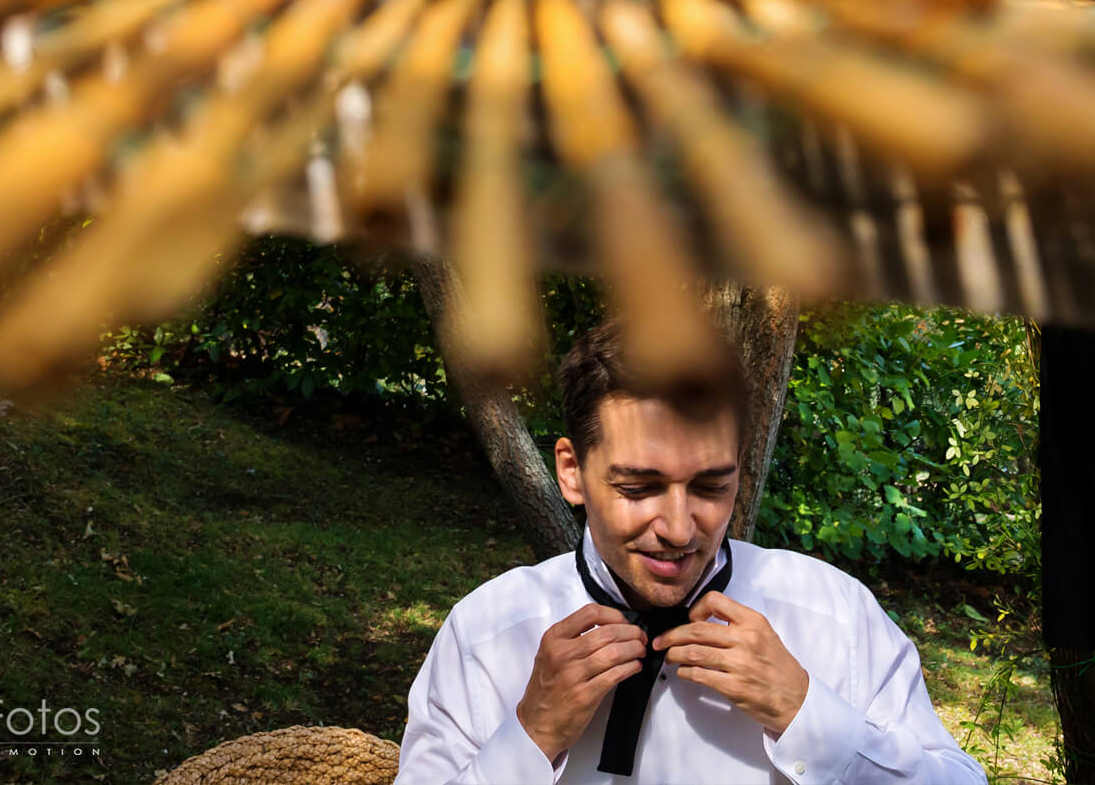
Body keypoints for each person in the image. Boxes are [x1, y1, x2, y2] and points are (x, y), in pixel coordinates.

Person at [394, 320, 987, 784]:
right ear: (571, 473)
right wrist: (531, 734)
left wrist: (808, 714)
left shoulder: (834, 616)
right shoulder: (488, 633)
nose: (679, 529)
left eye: (710, 487)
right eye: (638, 488)